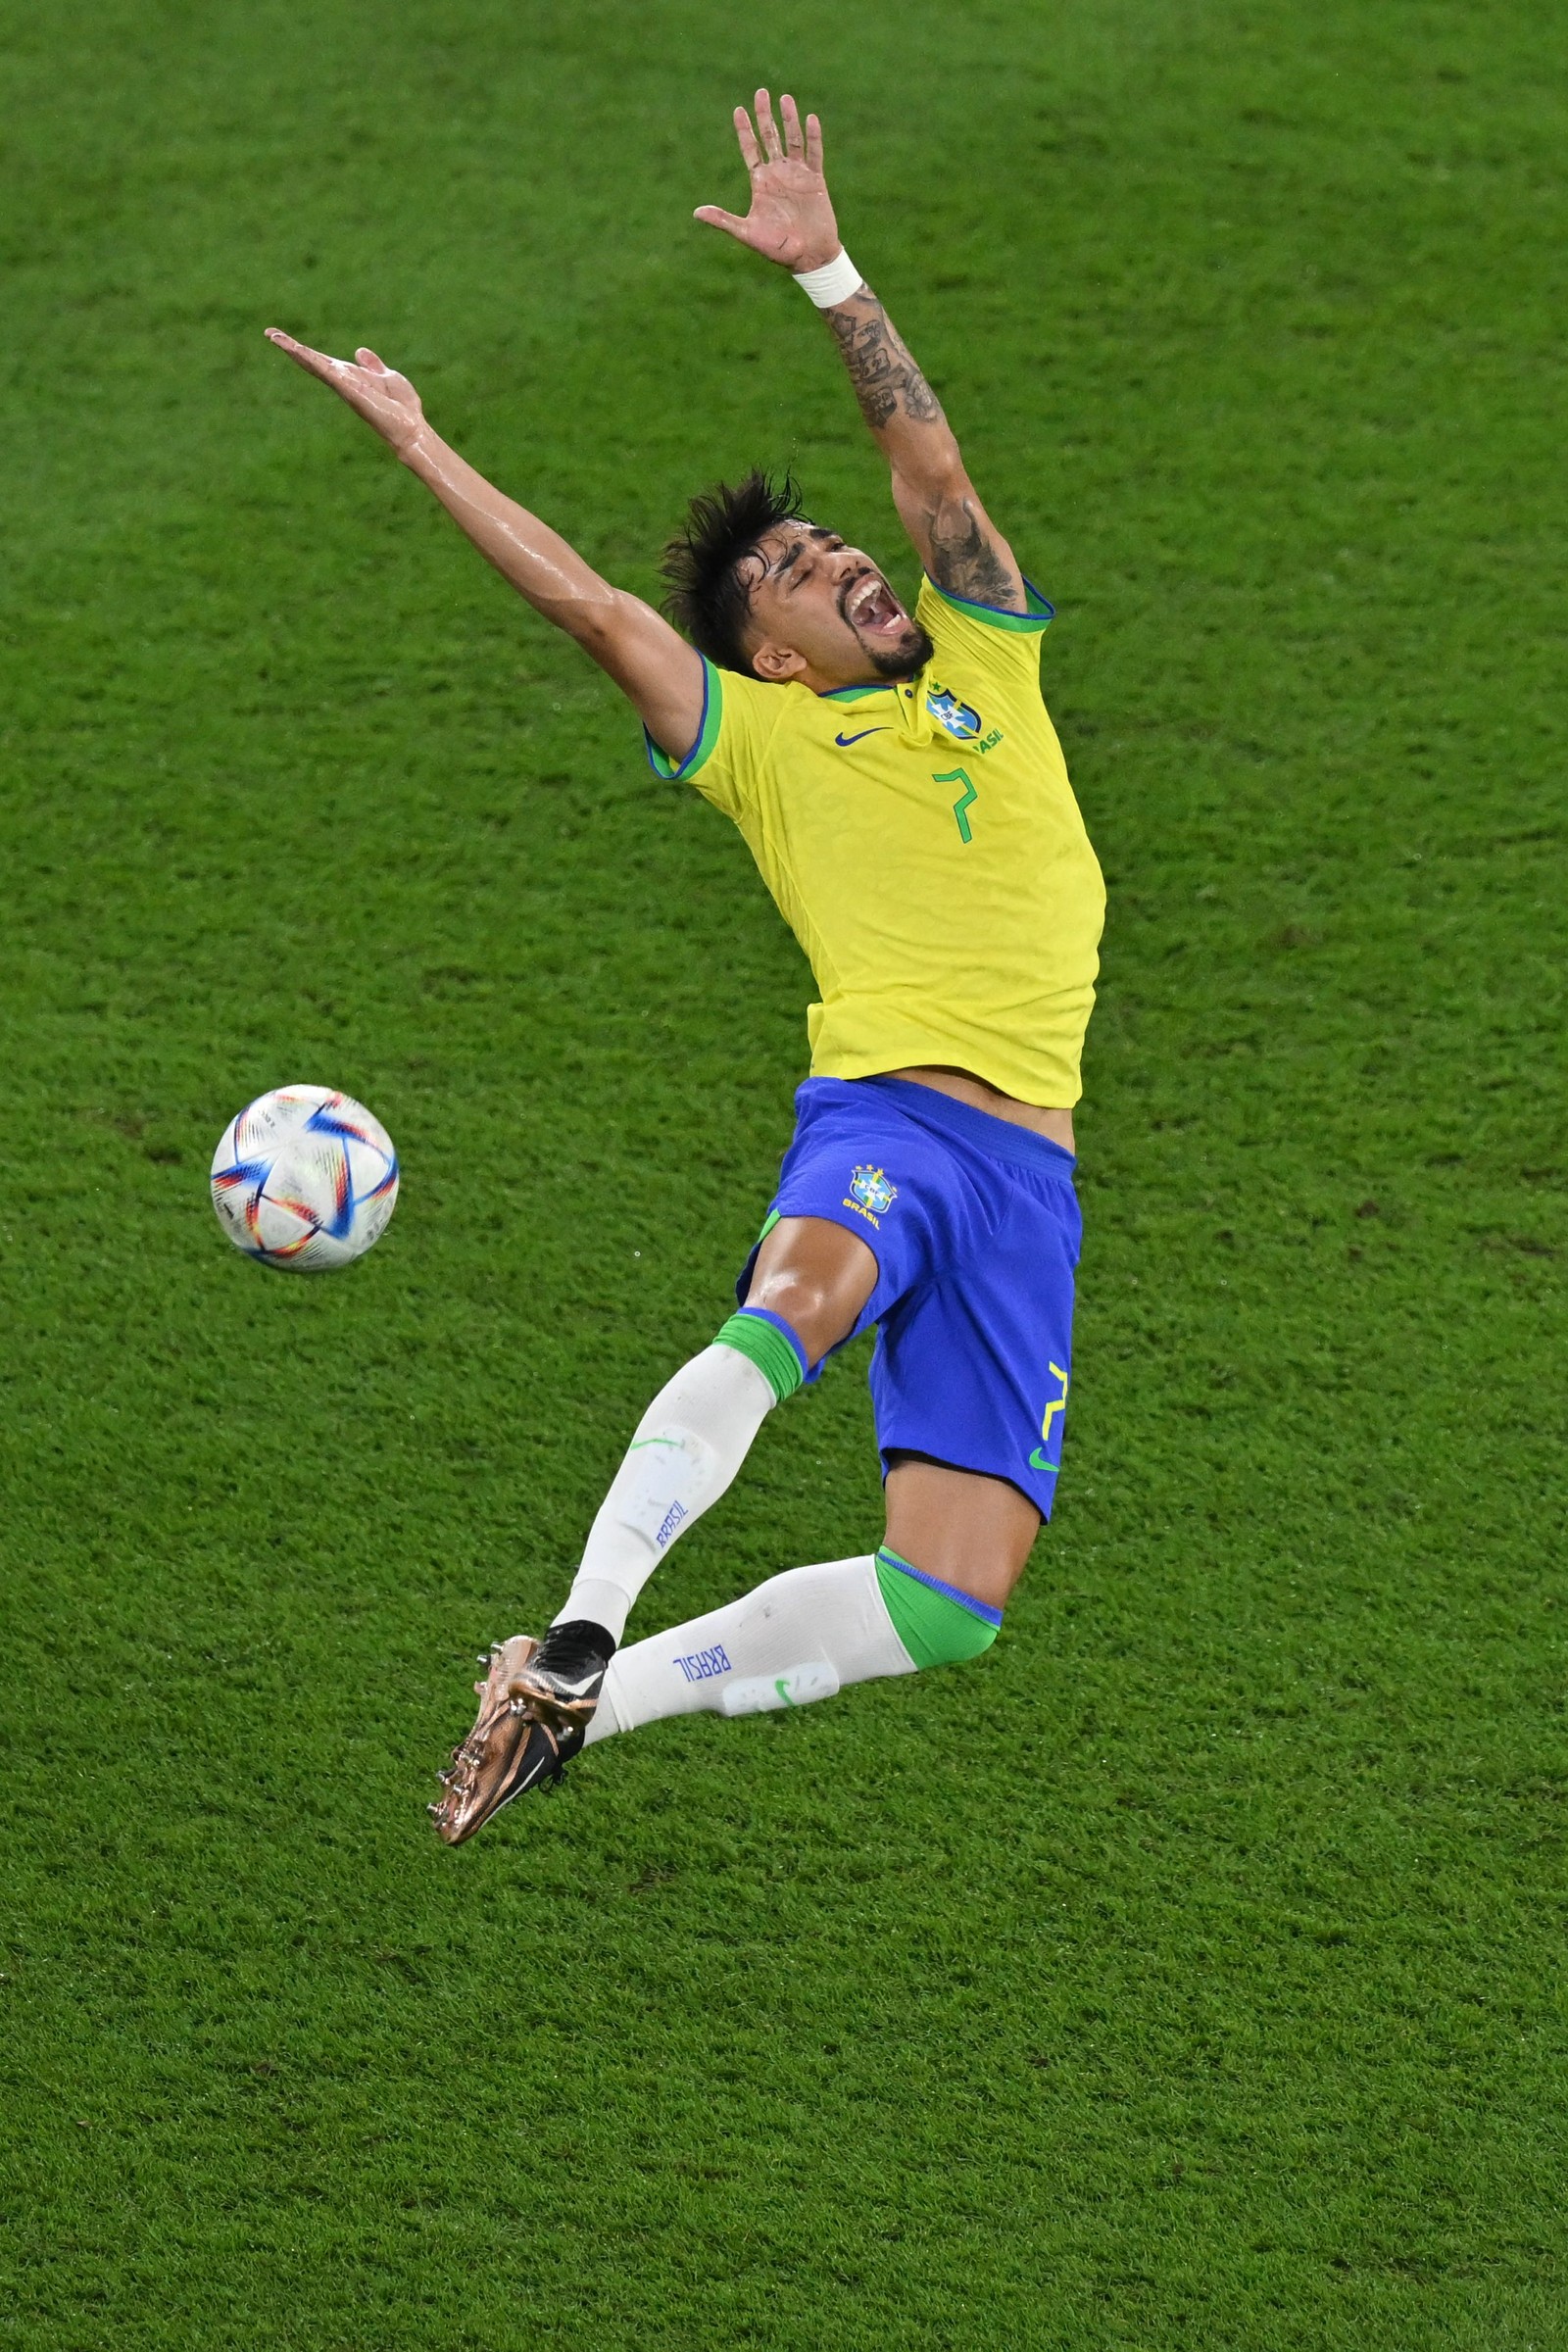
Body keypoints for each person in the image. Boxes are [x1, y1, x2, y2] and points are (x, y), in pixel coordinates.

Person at [268, 90, 1105, 1843]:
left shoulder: (989, 660)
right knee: (795, 1304)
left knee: (949, 1598)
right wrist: (420, 443)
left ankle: (580, 1702)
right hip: (888, 1114)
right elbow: (590, 606)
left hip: (1034, 1172)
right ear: (770, 659)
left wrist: (831, 274)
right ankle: (584, 1621)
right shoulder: (757, 743)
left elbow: (930, 476)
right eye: (802, 575)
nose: (851, 565)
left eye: (833, 549)